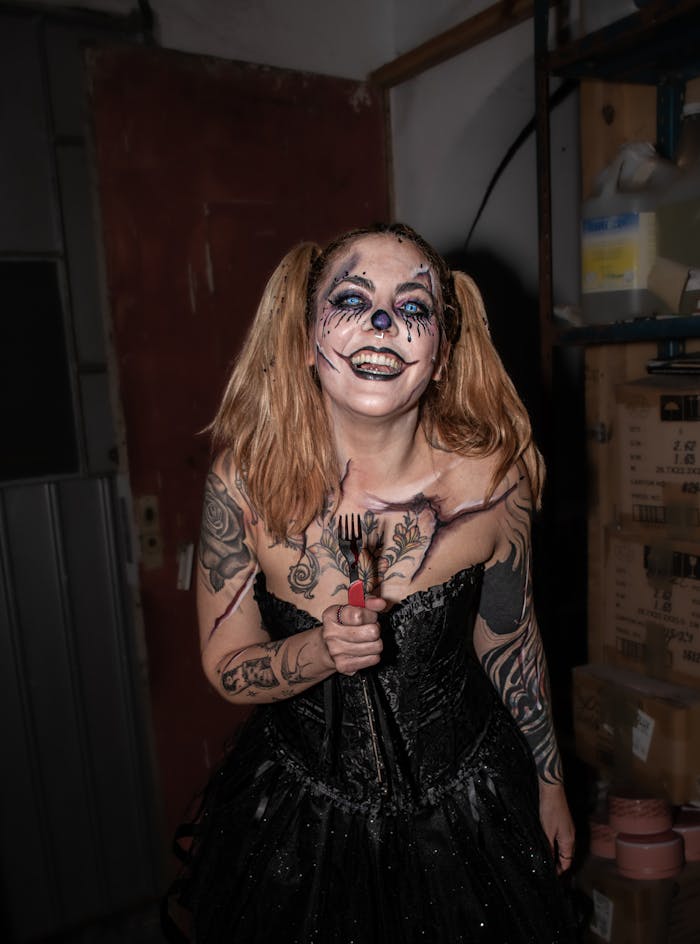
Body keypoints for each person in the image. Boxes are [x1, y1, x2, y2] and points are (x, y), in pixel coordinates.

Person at [167, 222, 577, 943]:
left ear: (442, 355)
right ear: (303, 343)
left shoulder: (492, 483)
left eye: (414, 308)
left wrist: (550, 786)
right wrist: (318, 653)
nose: (385, 322)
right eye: (353, 299)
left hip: (469, 817)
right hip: (299, 826)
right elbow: (225, 665)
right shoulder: (244, 486)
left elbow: (511, 642)